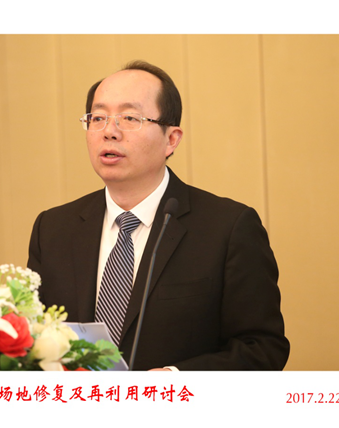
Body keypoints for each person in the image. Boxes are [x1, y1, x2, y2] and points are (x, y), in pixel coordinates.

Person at [27, 60, 289, 370]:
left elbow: (263, 349)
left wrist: (175, 378)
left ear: (171, 139)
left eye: (129, 118)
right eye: (98, 118)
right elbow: (31, 340)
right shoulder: (53, 229)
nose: (109, 131)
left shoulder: (228, 228)